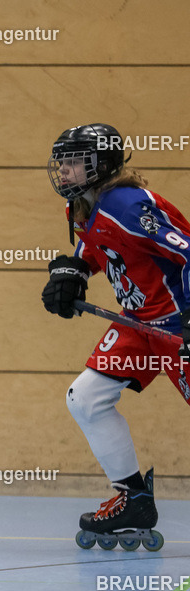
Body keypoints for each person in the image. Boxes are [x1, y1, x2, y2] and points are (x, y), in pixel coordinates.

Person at [43, 123, 190, 550]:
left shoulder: (127, 205)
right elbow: (98, 247)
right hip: (138, 323)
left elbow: (186, 253)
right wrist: (74, 270)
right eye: (63, 162)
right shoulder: (82, 205)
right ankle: (134, 500)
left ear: (102, 166)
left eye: (74, 162)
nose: (64, 171)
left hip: (176, 322)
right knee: (86, 399)